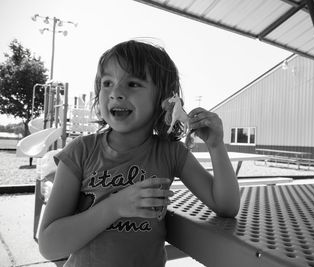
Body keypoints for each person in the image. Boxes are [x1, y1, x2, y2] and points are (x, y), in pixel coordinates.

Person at [38, 39, 240, 267]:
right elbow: (48, 245)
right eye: (107, 83)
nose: (115, 92)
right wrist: (115, 206)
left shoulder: (170, 152)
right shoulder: (80, 151)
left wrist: (216, 146)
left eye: (132, 83)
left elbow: (227, 206)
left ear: (165, 100)